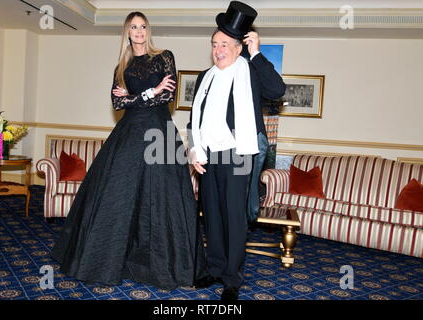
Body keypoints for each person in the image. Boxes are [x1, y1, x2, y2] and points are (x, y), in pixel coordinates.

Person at [52, 11, 206, 290]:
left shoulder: (164, 57)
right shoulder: (121, 67)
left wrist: (137, 97)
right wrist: (149, 93)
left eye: (143, 26)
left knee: (163, 199)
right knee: (117, 197)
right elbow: (117, 103)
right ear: (127, 32)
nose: (139, 31)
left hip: (160, 133)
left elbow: (168, 96)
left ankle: (165, 266)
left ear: (149, 30)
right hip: (128, 134)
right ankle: (107, 261)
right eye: (133, 27)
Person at [188, 1, 286, 300]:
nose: (218, 50)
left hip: (239, 154)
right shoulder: (205, 77)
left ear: (238, 47)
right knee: (213, 215)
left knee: (234, 216)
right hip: (209, 156)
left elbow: (277, 90)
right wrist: (194, 150)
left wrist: (257, 54)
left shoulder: (251, 70)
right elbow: (195, 118)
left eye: (225, 44)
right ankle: (215, 268)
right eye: (215, 44)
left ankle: (232, 277)